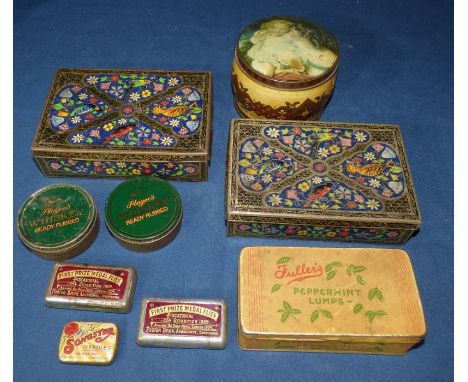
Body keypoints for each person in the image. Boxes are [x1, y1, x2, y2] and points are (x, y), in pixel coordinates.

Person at [246, 19, 336, 80]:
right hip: (263, 56)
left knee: (267, 72)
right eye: (273, 28)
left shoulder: (291, 41)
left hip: (274, 61)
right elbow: (254, 40)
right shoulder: (268, 34)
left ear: (305, 34)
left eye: (293, 29)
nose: (291, 30)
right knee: (265, 72)